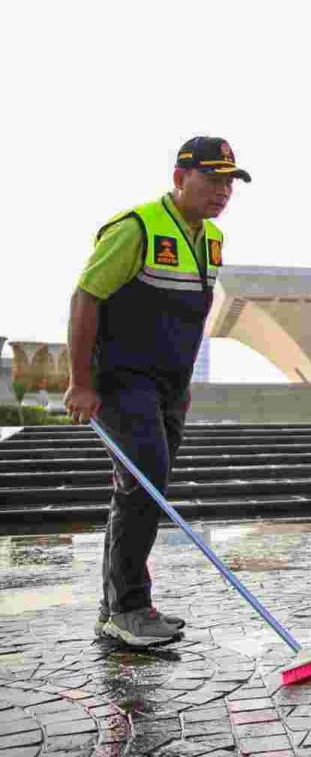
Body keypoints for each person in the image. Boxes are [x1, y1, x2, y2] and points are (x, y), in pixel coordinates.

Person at [64, 136, 249, 647]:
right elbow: (86, 298)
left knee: (143, 488)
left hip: (169, 388)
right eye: (212, 178)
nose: (222, 191)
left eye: (229, 181)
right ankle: (127, 608)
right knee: (145, 481)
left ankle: (122, 605)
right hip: (122, 382)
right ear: (179, 177)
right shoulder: (137, 227)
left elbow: (188, 316)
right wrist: (80, 381)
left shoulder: (212, 240)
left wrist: (181, 382)